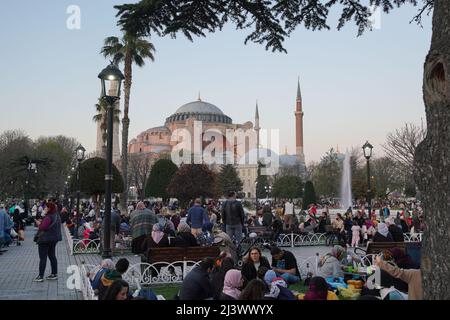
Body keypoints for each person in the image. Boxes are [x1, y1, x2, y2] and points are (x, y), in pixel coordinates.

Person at [33, 202, 62, 282]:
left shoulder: (48, 217)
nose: (45, 208)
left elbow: (43, 227)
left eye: (46, 207)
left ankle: (40, 276)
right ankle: (54, 274)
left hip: (45, 240)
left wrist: (39, 223)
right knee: (52, 256)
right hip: (53, 240)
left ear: (49, 208)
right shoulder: (56, 216)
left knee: (43, 258)